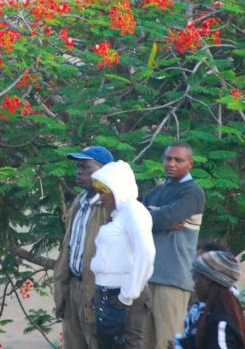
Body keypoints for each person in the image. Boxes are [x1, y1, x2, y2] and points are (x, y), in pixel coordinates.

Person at [140, 142, 206, 349]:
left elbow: (164, 219)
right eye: (168, 158)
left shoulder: (193, 192)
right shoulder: (158, 191)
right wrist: (155, 216)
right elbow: (133, 220)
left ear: (190, 164)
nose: (171, 163)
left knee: (168, 343)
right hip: (147, 277)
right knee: (143, 343)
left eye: (178, 160)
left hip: (173, 279)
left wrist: (152, 215)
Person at [54, 146, 116, 349]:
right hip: (73, 287)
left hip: (96, 290)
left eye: (85, 167)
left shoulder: (112, 207)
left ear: (104, 171)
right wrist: (61, 290)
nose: (79, 171)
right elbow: (68, 248)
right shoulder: (79, 202)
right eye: (78, 167)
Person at [89, 160, 155, 349]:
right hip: (107, 294)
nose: (100, 198)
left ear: (117, 190)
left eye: (103, 193)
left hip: (125, 296)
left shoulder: (134, 212)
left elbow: (147, 254)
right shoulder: (119, 214)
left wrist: (126, 297)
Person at [170, 251, 245, 349]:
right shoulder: (209, 314)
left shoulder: (220, 323)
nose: (194, 286)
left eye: (195, 279)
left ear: (207, 280)